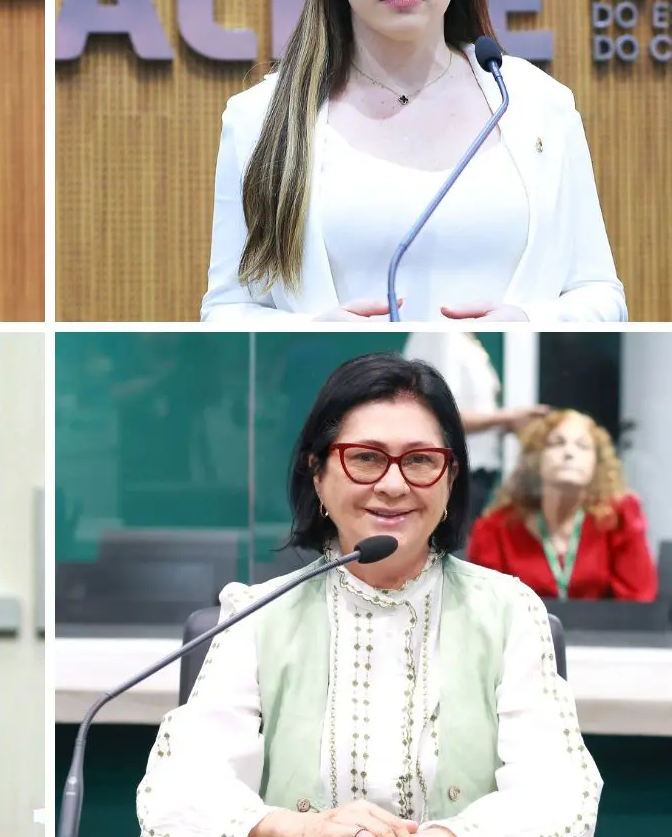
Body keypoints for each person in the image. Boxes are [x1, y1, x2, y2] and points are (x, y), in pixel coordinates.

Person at [137, 353, 601, 837]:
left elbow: (558, 792)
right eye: (365, 458)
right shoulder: (259, 613)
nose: (394, 485)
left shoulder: (510, 611)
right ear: (317, 474)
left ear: (452, 479)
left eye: (421, 460)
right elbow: (180, 790)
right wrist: (292, 828)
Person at [202, 0, 623, 320]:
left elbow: (599, 292)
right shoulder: (261, 117)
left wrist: (529, 323)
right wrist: (316, 331)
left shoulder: (537, 104)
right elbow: (227, 308)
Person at [469, 409, 658, 601]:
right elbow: (483, 608)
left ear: (596, 464)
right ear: (536, 459)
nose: (569, 453)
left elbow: (638, 603)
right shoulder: (496, 528)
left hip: (604, 631)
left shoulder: (619, 519)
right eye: (557, 443)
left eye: (582, 446)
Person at [400, 333, 548, 515]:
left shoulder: (466, 339)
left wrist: (512, 423)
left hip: (477, 475)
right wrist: (506, 418)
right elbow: (438, 414)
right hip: (453, 473)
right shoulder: (440, 336)